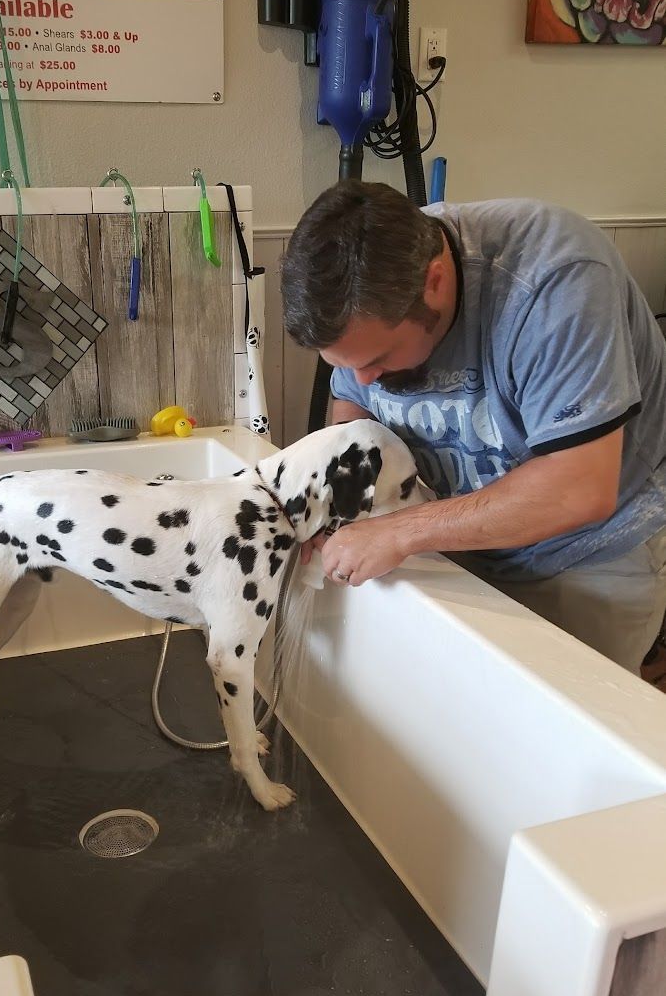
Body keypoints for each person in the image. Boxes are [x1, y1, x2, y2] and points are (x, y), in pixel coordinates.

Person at [281, 181, 666, 675]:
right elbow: (353, 405)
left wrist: (402, 531)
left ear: (435, 282)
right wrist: (343, 504)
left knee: (563, 717)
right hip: (462, 540)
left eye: (378, 359)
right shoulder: (370, 292)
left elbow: (579, 488)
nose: (364, 380)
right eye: (344, 365)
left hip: (587, 555)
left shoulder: (554, 280)